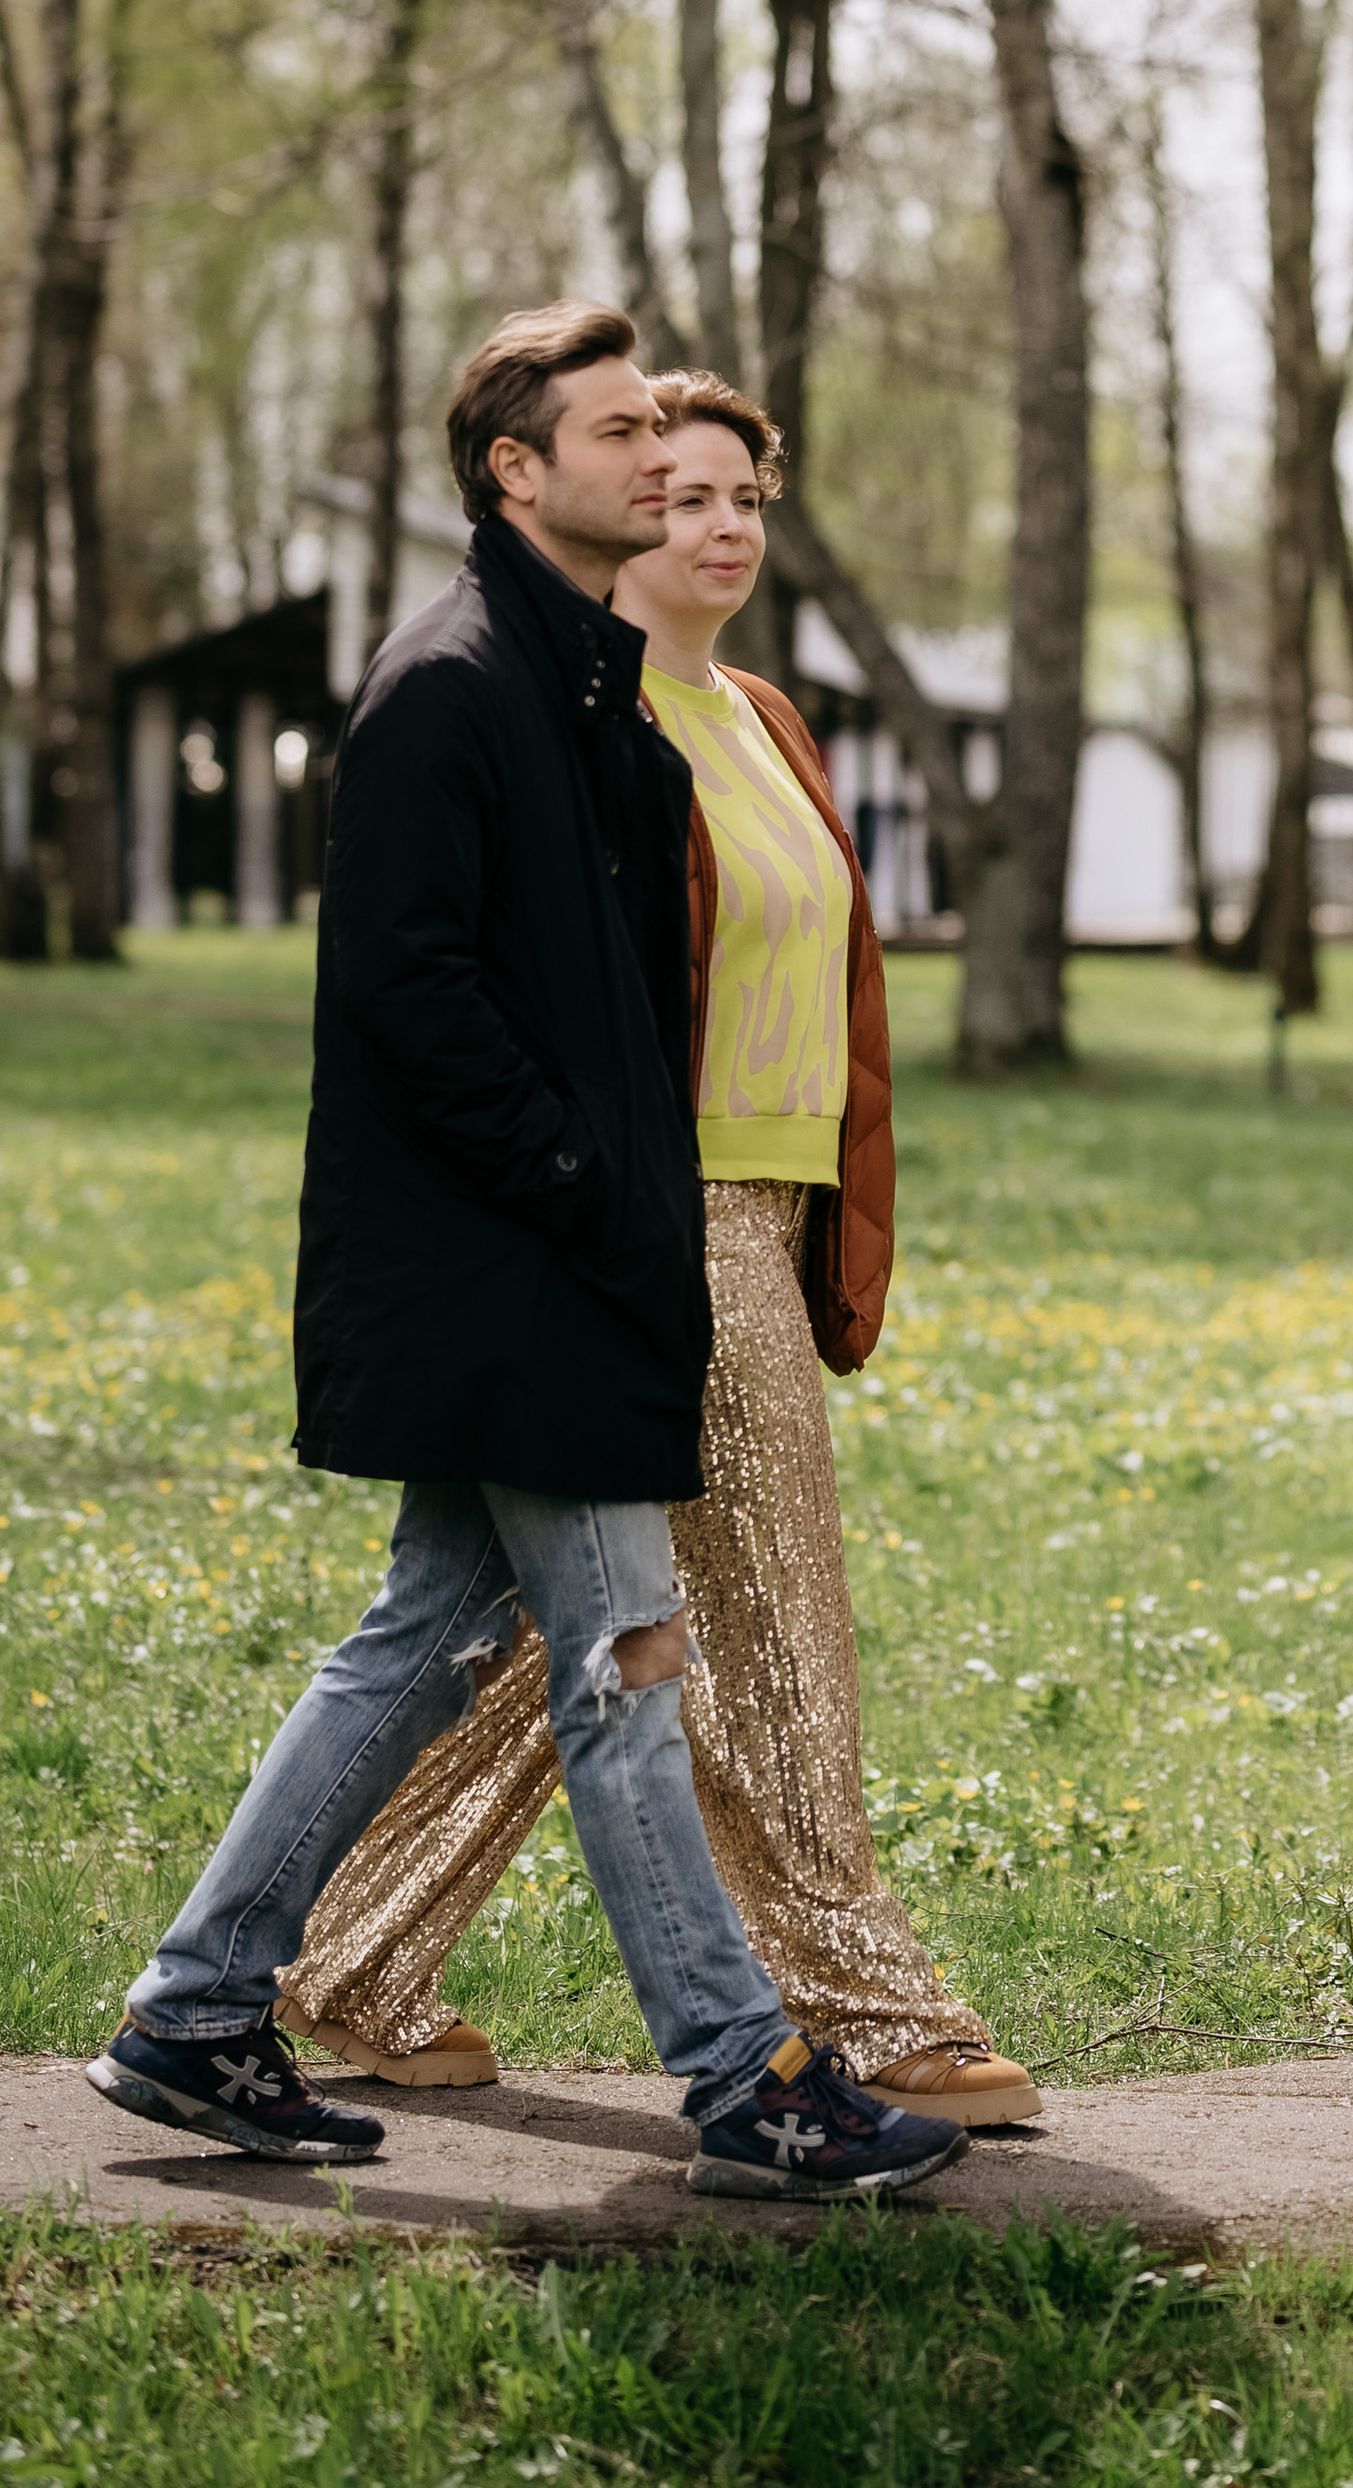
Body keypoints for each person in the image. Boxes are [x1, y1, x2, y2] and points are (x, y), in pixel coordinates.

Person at [88, 305, 966, 2208]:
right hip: (526, 1269)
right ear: (517, 469)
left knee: (421, 1639)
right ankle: (751, 2080)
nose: (663, 464)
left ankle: (195, 2006)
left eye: (680, 436)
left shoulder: (581, 683)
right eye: (624, 433)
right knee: (631, 1661)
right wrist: (592, 1184)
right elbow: (409, 995)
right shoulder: (451, 682)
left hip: (576, 1253)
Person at [278, 370, 1039, 2124]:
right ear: (607, 509)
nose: (716, 522)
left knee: (560, 1632)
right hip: (652, 1212)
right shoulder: (586, 714)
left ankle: (351, 1951)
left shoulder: (765, 714)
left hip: (768, 1212)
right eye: (677, 487)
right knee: (772, 1614)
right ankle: (859, 2002)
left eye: (743, 495)